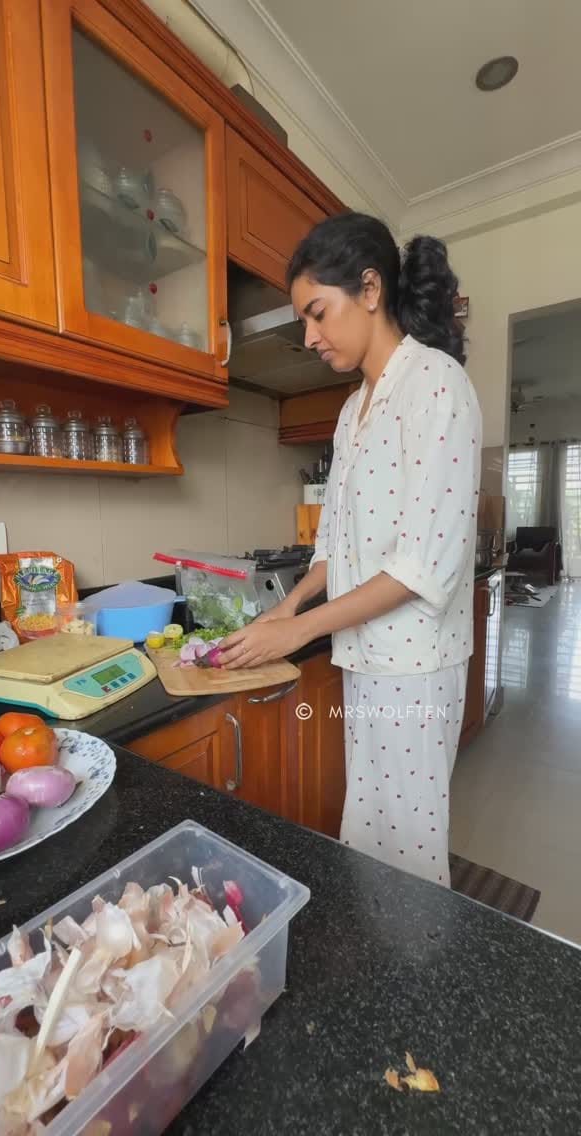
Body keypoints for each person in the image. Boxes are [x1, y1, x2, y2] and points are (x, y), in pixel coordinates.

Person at [218, 212, 482, 886]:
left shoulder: (436, 384)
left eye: (317, 313)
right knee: (367, 835)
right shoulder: (351, 409)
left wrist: (300, 629)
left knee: (410, 850)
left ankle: (412, 950)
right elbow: (335, 544)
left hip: (415, 664)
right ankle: (378, 944)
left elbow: (420, 566)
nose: (309, 336)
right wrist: (287, 608)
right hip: (363, 656)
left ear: (369, 289)